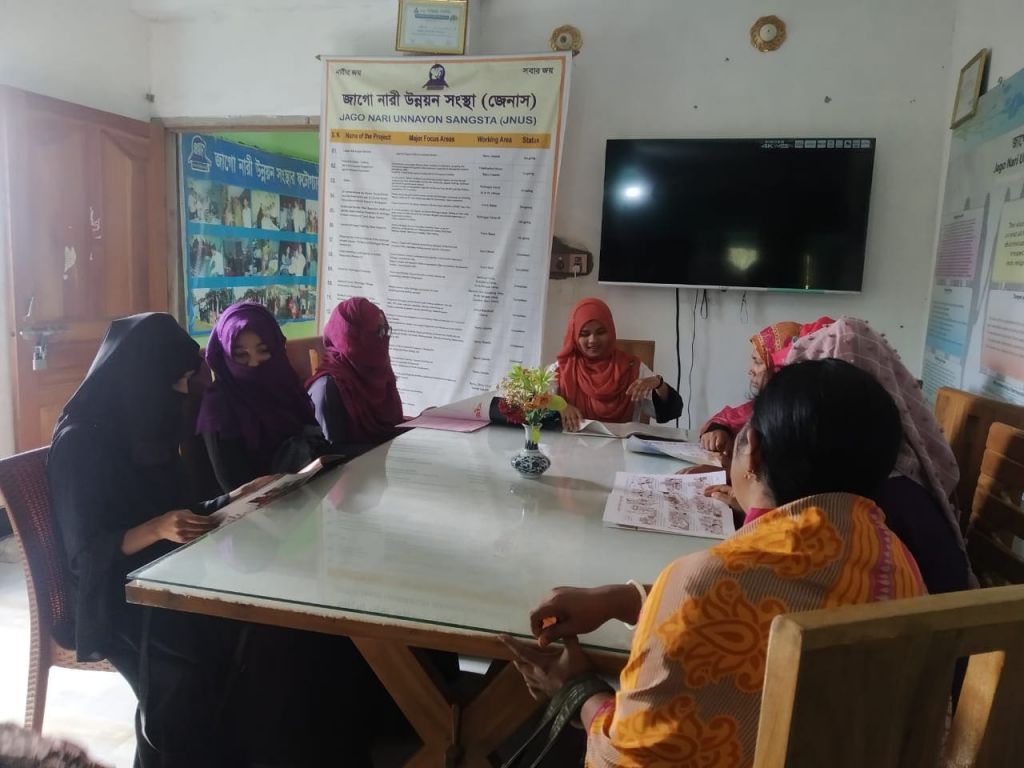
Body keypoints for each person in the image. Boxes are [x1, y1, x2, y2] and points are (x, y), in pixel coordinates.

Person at [502, 359, 926, 767]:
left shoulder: (702, 582)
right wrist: (622, 600)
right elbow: (775, 602)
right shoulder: (899, 564)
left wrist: (578, 690)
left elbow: (626, 762)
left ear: (752, 451)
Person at [47, 313, 273, 767]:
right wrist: (156, 528)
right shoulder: (79, 443)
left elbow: (178, 511)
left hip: (169, 575)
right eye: (175, 382)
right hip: (114, 594)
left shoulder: (146, 427)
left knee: (252, 638)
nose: (183, 393)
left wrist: (236, 497)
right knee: (186, 673)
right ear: (140, 377)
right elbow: (85, 555)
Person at [197, 301, 329, 492]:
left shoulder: (286, 386)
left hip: (310, 491)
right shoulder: (218, 408)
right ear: (225, 356)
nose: (253, 363)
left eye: (264, 350)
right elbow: (237, 489)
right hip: (261, 505)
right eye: (241, 355)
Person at [699, 318, 831, 454]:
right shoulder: (764, 405)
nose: (750, 370)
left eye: (758, 362)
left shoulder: (805, 417)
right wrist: (718, 431)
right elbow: (732, 417)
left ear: (780, 367)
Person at [555, 298, 682, 430]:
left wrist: (659, 384)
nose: (593, 340)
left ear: (611, 331)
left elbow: (670, 412)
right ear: (574, 336)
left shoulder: (631, 368)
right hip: (571, 442)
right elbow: (540, 405)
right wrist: (560, 406)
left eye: (600, 332)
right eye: (584, 334)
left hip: (622, 443)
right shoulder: (562, 369)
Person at [307, 298, 404, 455]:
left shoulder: (381, 376)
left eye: (385, 330)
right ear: (351, 337)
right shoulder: (329, 388)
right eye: (377, 332)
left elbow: (393, 429)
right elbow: (332, 455)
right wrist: (388, 451)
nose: (383, 339)